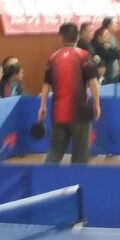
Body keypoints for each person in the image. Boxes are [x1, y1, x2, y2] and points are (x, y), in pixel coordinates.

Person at [39, 22, 101, 165]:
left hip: (58, 112)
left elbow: (46, 84)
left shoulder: (52, 58)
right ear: (77, 37)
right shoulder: (85, 56)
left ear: (60, 38)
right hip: (80, 112)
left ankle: (45, 177)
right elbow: (93, 81)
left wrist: (42, 106)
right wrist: (97, 104)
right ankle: (76, 178)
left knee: (55, 150)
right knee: (81, 153)